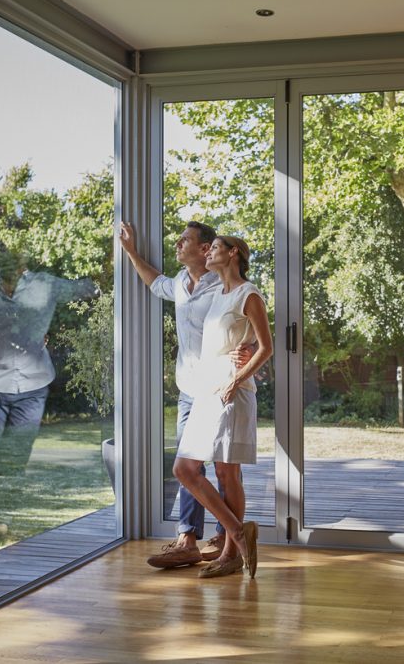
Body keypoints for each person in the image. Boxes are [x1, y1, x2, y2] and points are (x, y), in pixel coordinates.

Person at [119, 220, 252, 568]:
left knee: (225, 469)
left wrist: (248, 349)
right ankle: (188, 539)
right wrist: (131, 252)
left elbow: (245, 319)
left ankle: (228, 541)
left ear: (206, 248)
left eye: (185, 240)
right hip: (189, 390)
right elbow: (154, 281)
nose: (178, 244)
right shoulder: (179, 283)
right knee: (189, 466)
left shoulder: (222, 286)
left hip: (219, 387)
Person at [174, 235, 272, 579]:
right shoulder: (217, 293)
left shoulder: (249, 293)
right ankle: (239, 531)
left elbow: (266, 347)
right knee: (184, 469)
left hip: (233, 393)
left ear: (233, 253)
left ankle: (231, 554)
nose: (209, 251)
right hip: (207, 391)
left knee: (226, 474)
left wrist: (236, 376)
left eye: (215, 247)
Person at [0, 251, 97, 476]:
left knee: (18, 454)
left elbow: (86, 288)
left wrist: (110, 266)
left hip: (33, 382)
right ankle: (4, 494)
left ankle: (10, 495)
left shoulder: (45, 283)